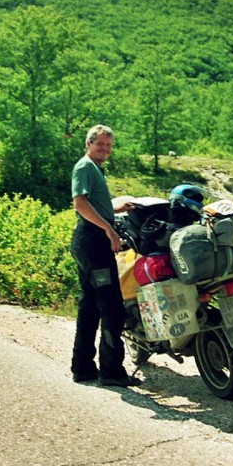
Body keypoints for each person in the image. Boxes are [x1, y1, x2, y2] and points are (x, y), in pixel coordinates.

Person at [69, 124, 141, 388]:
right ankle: (111, 371)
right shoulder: (85, 167)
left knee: (89, 306)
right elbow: (80, 204)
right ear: (89, 143)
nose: (105, 149)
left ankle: (83, 368)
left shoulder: (95, 169)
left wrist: (114, 208)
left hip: (89, 241)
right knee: (111, 307)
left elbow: (93, 205)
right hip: (93, 242)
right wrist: (110, 230)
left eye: (109, 145)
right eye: (100, 144)